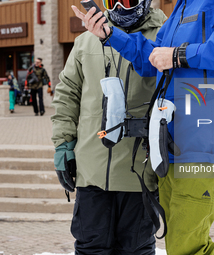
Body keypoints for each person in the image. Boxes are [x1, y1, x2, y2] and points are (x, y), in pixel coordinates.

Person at [72, 0, 214, 254]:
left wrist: (180, 55)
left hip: (204, 142)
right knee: (178, 245)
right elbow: (153, 60)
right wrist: (111, 35)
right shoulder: (182, 8)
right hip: (170, 143)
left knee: (188, 247)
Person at [51, 1, 166, 254]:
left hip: (140, 174)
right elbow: (67, 94)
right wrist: (63, 144)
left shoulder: (165, 36)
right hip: (92, 170)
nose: (118, 7)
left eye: (127, 1)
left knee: (136, 249)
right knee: (91, 248)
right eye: (111, 0)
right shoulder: (85, 41)